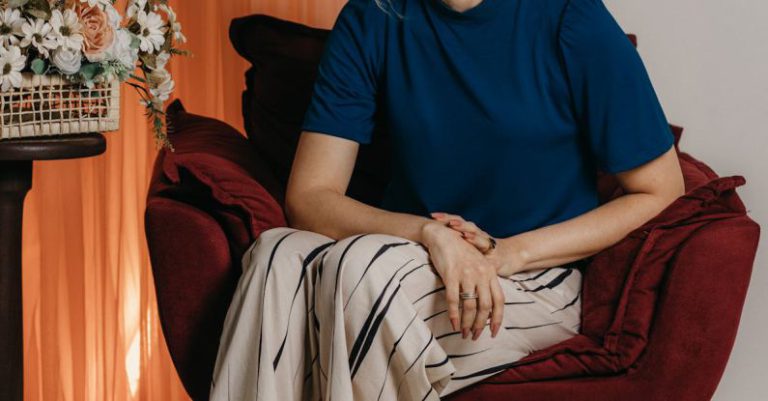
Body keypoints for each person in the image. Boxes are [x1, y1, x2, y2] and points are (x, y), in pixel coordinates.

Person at [209, 0, 685, 400]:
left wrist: (508, 253)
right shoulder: (374, 14)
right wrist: (429, 234)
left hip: (533, 277)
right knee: (277, 252)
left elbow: (661, 189)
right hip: (411, 255)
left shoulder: (568, 16)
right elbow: (310, 196)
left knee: (359, 270)